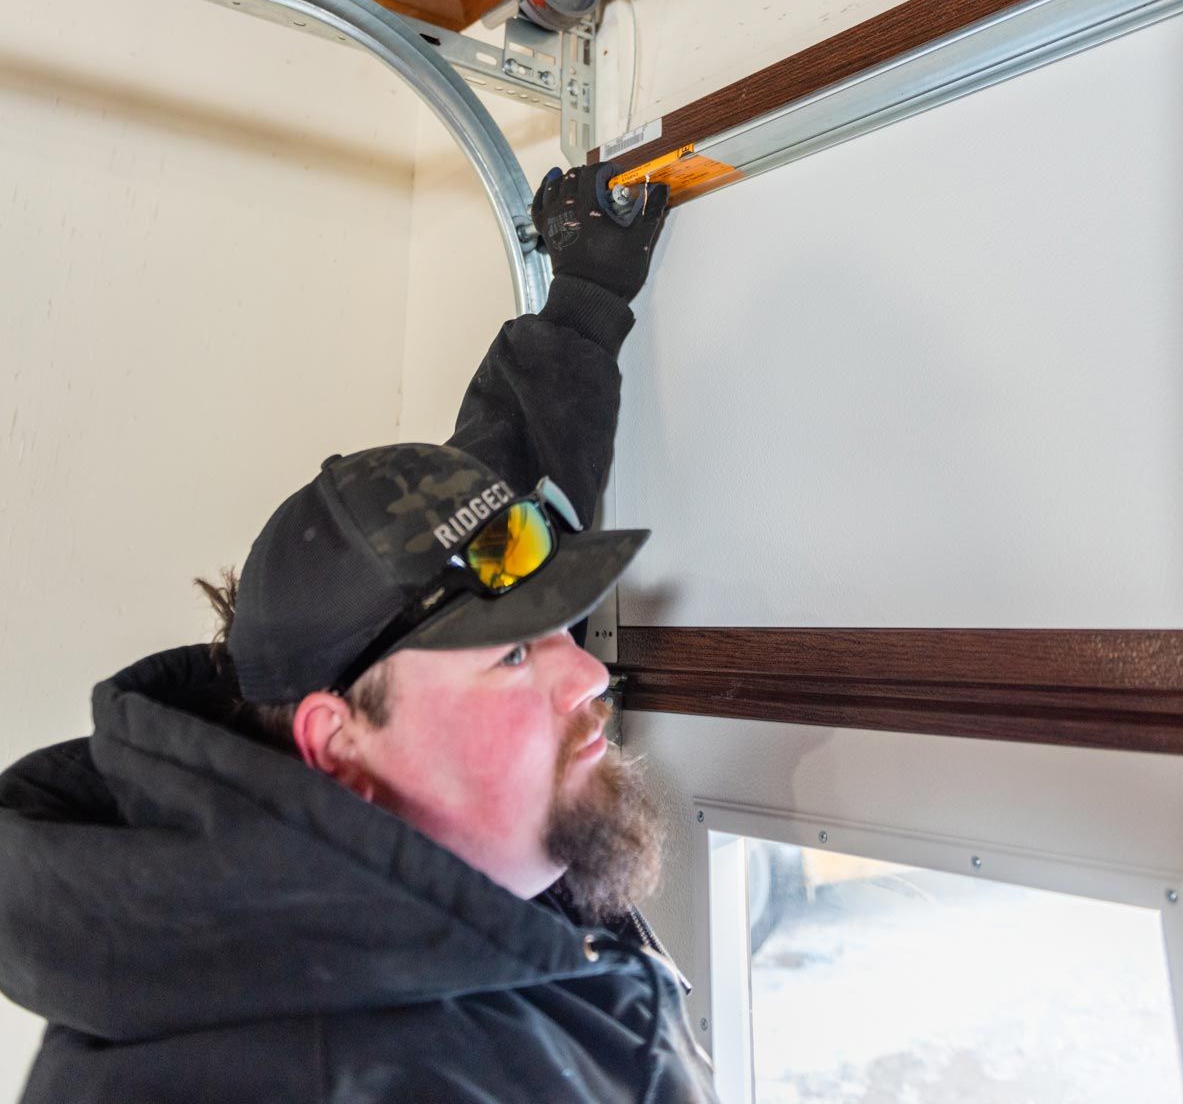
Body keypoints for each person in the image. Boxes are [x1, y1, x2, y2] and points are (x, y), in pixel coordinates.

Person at [0, 163, 719, 1103]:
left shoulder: (423, 805)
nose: (586, 672)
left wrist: (582, 300)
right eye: (512, 652)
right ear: (339, 748)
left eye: (552, 629)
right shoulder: (291, 1078)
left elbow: (505, 501)